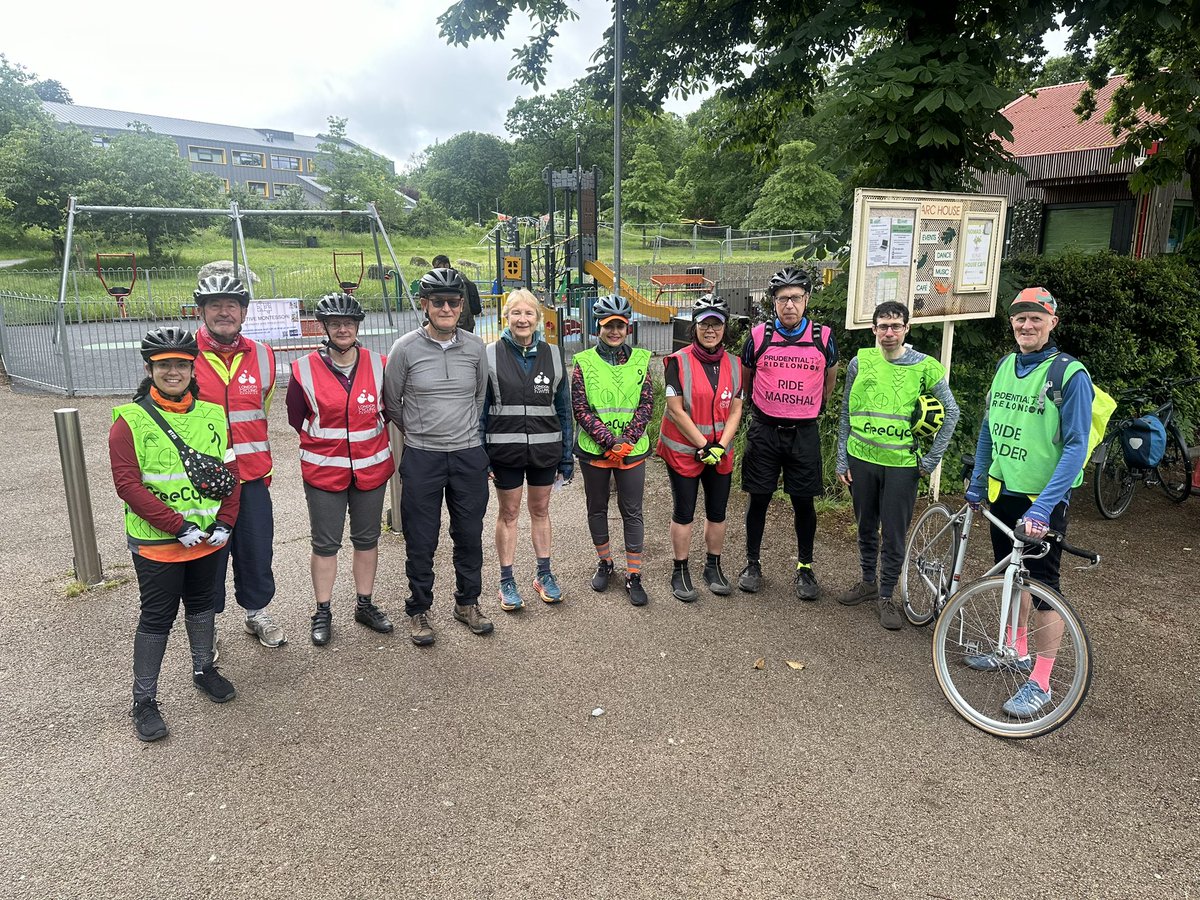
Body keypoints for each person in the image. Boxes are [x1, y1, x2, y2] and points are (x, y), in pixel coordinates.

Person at [964, 286, 1095, 717]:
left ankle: (1041, 681)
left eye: (1036, 317)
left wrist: (1042, 508)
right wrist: (979, 478)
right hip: (1004, 491)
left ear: (1052, 322)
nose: (1026, 324)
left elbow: (1075, 447)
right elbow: (989, 428)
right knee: (1013, 577)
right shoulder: (1006, 365)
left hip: (1043, 500)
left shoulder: (1070, 375)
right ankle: (1014, 649)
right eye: (1020, 317)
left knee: (1043, 589)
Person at [110, 328, 241, 742]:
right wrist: (177, 525)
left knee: (202, 605)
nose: (173, 372)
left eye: (180, 365)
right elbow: (128, 485)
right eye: (164, 364)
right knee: (157, 617)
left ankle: (204, 669)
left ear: (192, 368)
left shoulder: (213, 414)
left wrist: (226, 521)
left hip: (206, 539)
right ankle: (144, 701)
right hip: (159, 543)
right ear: (149, 369)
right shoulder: (129, 421)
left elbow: (231, 473)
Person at [383, 267, 493, 645]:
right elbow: (392, 402)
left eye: (453, 302)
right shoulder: (404, 349)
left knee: (469, 534)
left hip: (467, 455)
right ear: (425, 304)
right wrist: (420, 431)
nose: (446, 308)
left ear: (462, 306)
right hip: (423, 457)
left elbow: (479, 397)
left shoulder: (476, 347)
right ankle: (419, 608)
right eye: (438, 301)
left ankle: (467, 603)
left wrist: (463, 433)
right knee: (421, 538)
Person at [835, 300, 959, 629]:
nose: (889, 332)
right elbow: (846, 411)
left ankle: (886, 595)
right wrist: (842, 457)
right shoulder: (860, 362)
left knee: (893, 533)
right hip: (862, 459)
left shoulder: (925, 366)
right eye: (883, 326)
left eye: (895, 326)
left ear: (906, 328)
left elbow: (952, 411)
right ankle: (867, 582)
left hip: (902, 465)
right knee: (865, 526)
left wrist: (932, 459)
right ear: (873, 329)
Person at [287, 293, 395, 646]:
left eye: (349, 323)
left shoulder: (379, 364)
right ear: (325, 328)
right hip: (324, 471)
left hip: (370, 468)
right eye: (335, 324)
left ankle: (364, 604)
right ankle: (323, 611)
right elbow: (296, 416)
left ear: (358, 326)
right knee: (325, 543)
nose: (343, 329)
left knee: (367, 539)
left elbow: (387, 411)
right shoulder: (303, 369)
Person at [191, 274, 286, 652]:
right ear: (201, 312)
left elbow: (261, 409)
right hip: (203, 482)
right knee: (206, 558)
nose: (224, 312)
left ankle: (256, 613)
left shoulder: (264, 355)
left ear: (244, 312)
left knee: (256, 552)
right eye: (214, 305)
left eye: (231, 305)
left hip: (252, 477)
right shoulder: (185, 355)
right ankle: (206, 623)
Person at [738, 267, 838, 600]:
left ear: (806, 299)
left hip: (803, 432)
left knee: (803, 502)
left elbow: (830, 377)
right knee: (758, 499)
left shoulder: (823, 336)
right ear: (774, 302)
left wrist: (814, 405)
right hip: (765, 430)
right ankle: (752, 563)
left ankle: (805, 567)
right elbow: (747, 378)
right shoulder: (758, 336)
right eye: (783, 299)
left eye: (796, 297)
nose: (789, 305)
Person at [481, 288, 573, 611]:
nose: (523, 319)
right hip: (504, 453)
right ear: (506, 317)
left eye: (529, 313)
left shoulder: (554, 355)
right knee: (508, 514)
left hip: (545, 452)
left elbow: (564, 410)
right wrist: (481, 455)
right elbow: (480, 409)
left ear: (538, 318)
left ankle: (544, 574)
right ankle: (506, 580)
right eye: (516, 313)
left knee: (541, 511)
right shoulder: (490, 355)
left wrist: (566, 456)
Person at [656, 293, 744, 601]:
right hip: (685, 452)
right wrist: (705, 444)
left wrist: (720, 445)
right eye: (704, 324)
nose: (710, 330)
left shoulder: (735, 365)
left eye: (716, 324)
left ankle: (713, 567)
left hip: (719, 452)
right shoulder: (677, 363)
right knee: (684, 512)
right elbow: (675, 410)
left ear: (724, 328)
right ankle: (679, 570)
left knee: (717, 512)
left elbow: (736, 410)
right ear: (694, 327)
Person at [573, 294, 655, 606]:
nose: (615, 331)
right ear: (599, 327)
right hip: (597, 451)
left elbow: (646, 405)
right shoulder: (583, 362)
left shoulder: (641, 360)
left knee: (632, 511)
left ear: (628, 327)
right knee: (597, 507)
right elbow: (581, 409)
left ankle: (634, 574)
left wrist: (627, 442)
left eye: (620, 326)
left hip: (631, 450)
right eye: (609, 326)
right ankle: (605, 562)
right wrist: (610, 443)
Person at [432, 254, 482, 333]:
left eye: (438, 267)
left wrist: (458, 324)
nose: (436, 271)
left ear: (447, 265)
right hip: (456, 325)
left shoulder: (456, 279)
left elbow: (464, 304)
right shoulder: (447, 279)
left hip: (463, 326)